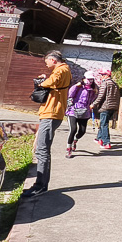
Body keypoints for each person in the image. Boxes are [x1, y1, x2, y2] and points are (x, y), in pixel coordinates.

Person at [22, 50, 71, 198]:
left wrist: (41, 82)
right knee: (42, 149)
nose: (47, 64)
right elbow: (54, 81)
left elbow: (52, 81)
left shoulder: (61, 69)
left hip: (51, 114)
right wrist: (46, 78)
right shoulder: (62, 70)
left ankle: (40, 186)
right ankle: (41, 184)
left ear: (53, 60)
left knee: (42, 150)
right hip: (51, 113)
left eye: (47, 62)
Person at [65, 72, 98, 158]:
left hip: (85, 112)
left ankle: (75, 140)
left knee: (82, 131)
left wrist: (92, 104)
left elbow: (94, 98)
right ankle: (69, 148)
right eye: (88, 79)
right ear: (83, 78)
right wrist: (77, 85)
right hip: (73, 111)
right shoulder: (78, 87)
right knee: (73, 129)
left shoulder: (93, 89)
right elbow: (70, 94)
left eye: (91, 79)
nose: (89, 81)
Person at [90, 69, 120, 150]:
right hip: (113, 107)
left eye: (103, 75)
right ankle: (99, 138)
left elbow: (101, 96)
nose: (101, 76)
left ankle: (106, 143)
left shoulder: (105, 83)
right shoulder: (115, 84)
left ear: (107, 76)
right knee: (103, 122)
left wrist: (93, 104)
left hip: (105, 106)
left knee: (104, 124)